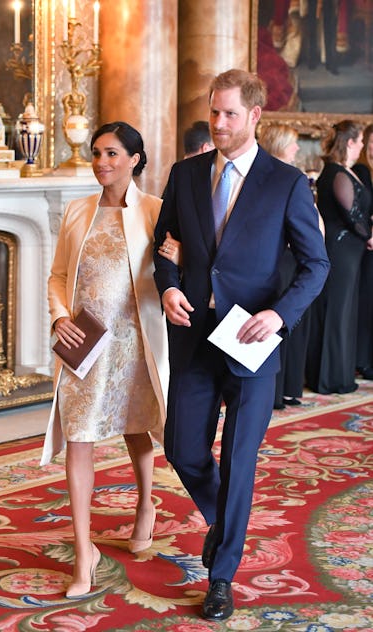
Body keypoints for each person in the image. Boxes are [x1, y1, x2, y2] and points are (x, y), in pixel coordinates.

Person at [153, 68, 330, 622]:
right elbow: (165, 247)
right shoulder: (184, 176)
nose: (219, 123)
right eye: (214, 112)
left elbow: (316, 263)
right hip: (194, 337)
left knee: (238, 460)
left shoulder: (285, 182)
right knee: (182, 448)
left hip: (254, 340)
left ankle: (221, 578)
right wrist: (168, 288)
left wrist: (278, 315)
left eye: (230, 113)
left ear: (255, 116)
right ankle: (223, 526)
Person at [40, 121, 170, 599]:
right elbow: (57, 276)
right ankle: (83, 555)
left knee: (137, 426)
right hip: (84, 345)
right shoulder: (77, 211)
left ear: (135, 159)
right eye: (97, 153)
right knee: (79, 437)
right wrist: (58, 317)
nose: (101, 162)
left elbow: (175, 270)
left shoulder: (156, 211)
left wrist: (177, 256)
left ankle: (144, 506)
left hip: (135, 343)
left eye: (112, 154)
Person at [259, 123, 324, 409]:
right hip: (282, 260)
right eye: (294, 143)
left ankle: (286, 388)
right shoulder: (284, 179)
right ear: (281, 143)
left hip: (293, 259)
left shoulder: (292, 178)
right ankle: (276, 390)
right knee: (277, 322)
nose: (298, 148)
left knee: (288, 321)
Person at [306, 120, 373, 394]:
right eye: (359, 142)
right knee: (336, 310)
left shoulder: (348, 171)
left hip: (351, 251)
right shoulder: (336, 173)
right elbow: (351, 214)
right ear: (349, 143)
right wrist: (369, 234)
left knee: (345, 311)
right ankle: (330, 377)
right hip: (340, 250)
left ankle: (341, 373)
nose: (361, 148)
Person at [353, 124, 373, 379]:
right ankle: (363, 360)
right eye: (369, 146)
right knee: (366, 302)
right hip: (366, 248)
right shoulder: (361, 172)